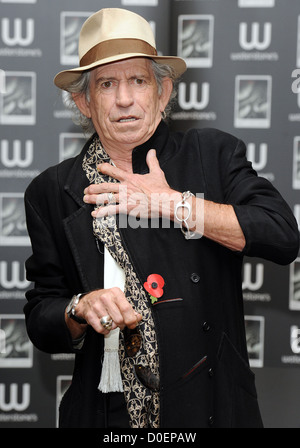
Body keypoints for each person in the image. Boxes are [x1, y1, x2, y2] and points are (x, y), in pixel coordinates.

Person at [24, 8, 299, 429]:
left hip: (210, 405)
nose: (124, 99)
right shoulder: (51, 190)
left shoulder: (212, 155)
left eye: (138, 80)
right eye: (107, 84)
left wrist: (172, 203)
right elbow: (43, 316)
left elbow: (281, 235)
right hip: (105, 415)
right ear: (83, 101)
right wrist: (80, 307)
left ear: (162, 91)